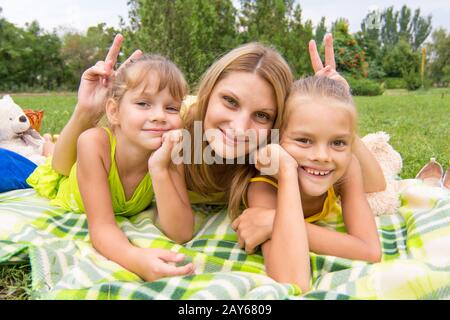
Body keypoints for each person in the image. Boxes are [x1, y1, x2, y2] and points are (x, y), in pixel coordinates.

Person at [27, 54, 195, 282]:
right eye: (143, 103)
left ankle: (49, 143)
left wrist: (160, 168)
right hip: (69, 185)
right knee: (50, 158)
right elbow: (102, 228)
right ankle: (46, 142)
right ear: (114, 111)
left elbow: (181, 233)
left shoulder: (171, 151)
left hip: (100, 165)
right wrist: (134, 258)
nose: (159, 116)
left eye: (172, 108)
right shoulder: (94, 143)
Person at [233, 76, 383, 292]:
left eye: (338, 142)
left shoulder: (348, 167)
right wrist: (286, 172)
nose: (322, 156)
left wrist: (274, 221)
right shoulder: (264, 187)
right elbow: (293, 280)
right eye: (304, 140)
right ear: (276, 140)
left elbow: (370, 251)